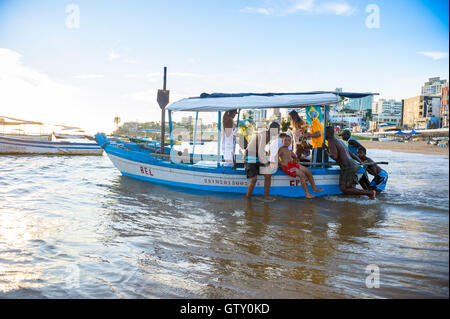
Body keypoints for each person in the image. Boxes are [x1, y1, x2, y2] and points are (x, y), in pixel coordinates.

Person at [324, 126, 376, 200]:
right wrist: (360, 161)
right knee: (351, 187)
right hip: (353, 164)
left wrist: (326, 150)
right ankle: (367, 196)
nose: (323, 135)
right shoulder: (339, 141)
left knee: (343, 189)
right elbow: (350, 153)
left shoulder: (331, 141)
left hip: (347, 166)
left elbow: (334, 156)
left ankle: (370, 193)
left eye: (324, 133)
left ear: (328, 133)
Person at [245, 121, 280, 200]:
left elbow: (261, 150)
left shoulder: (270, 136)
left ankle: (266, 197)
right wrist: (267, 164)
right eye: (278, 130)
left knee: (268, 175)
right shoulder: (264, 134)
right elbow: (261, 152)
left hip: (257, 155)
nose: (278, 132)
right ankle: (247, 199)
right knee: (254, 179)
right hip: (250, 155)